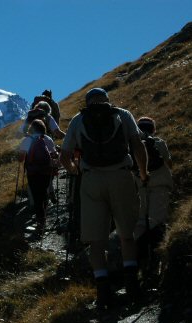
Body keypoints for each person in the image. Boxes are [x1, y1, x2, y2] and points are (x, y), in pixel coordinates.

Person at [60, 88, 149, 308]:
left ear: (88, 102)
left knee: (96, 240)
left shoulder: (78, 120)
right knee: (127, 233)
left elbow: (64, 156)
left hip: (91, 181)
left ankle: (103, 290)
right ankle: (131, 284)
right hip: (121, 176)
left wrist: (75, 170)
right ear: (107, 100)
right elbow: (138, 145)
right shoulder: (123, 114)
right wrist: (143, 172)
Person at [133, 117, 173, 280]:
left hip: (140, 188)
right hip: (160, 187)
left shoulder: (133, 144)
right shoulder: (159, 142)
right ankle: (156, 266)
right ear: (153, 129)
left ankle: (139, 266)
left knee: (141, 224)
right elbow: (169, 163)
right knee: (157, 223)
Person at [18, 119, 58, 234]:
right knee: (43, 193)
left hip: (33, 172)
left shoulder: (27, 140)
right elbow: (54, 155)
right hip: (46, 171)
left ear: (31, 129)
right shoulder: (48, 139)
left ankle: (40, 222)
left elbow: (21, 158)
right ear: (43, 128)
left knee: (36, 196)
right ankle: (43, 218)